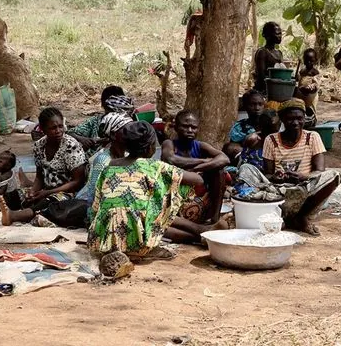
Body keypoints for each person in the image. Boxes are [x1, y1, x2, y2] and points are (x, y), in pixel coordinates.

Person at [88, 122, 220, 279]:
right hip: (139, 239)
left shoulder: (110, 166)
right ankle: (149, 248)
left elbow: (97, 205)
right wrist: (197, 164)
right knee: (160, 201)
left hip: (103, 238)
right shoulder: (155, 166)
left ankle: (199, 233)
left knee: (138, 210)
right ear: (151, 147)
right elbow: (197, 180)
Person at [260, 100, 341, 235]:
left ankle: (300, 217)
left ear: (305, 119)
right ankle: (287, 218)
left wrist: (304, 176)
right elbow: (267, 174)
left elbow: (320, 171)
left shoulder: (312, 137)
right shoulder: (271, 140)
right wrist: (275, 177)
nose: (296, 123)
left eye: (299, 118)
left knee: (334, 175)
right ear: (282, 119)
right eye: (290, 119)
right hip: (279, 192)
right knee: (246, 169)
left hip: (305, 189)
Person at [161, 110, 229, 224]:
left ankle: (215, 219)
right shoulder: (169, 144)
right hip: (174, 200)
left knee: (219, 172)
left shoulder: (200, 146)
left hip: (199, 201)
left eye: (194, 127)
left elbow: (224, 159)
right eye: (185, 126)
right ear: (176, 127)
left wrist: (197, 168)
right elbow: (171, 159)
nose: (190, 131)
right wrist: (203, 160)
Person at [224, 90, 266, 161]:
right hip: (246, 156)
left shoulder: (270, 124)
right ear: (245, 106)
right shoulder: (239, 127)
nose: (257, 108)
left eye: (260, 104)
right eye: (252, 105)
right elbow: (232, 149)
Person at [252, 22, 284, 95]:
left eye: (280, 33)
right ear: (268, 35)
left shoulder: (279, 53)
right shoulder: (262, 52)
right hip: (264, 91)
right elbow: (261, 77)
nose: (280, 36)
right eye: (277, 34)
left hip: (275, 89)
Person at [296, 47, 320, 111]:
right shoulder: (302, 71)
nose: (309, 62)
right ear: (304, 60)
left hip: (311, 97)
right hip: (301, 95)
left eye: (311, 61)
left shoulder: (315, 72)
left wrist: (311, 88)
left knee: (311, 111)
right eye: (307, 60)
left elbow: (316, 85)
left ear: (315, 61)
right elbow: (299, 80)